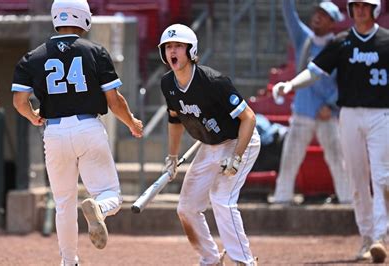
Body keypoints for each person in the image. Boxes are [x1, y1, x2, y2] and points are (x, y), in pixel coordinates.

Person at [11, 0, 143, 265]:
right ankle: (99, 209)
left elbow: (19, 101)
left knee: (63, 203)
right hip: (88, 127)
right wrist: (131, 122)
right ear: (83, 17)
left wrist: (33, 117)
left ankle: (69, 261)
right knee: (111, 196)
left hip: (54, 132)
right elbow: (114, 100)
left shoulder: (33, 56)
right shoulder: (94, 51)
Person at [273, 0, 389, 262]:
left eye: (365, 6)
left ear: (375, 10)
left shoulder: (386, 41)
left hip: (382, 115)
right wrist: (290, 84)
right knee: (357, 179)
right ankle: (367, 237)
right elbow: (314, 71)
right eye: (356, 6)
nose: (360, 10)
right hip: (348, 115)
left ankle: (382, 235)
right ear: (350, 9)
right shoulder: (341, 42)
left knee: (383, 176)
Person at [159, 24, 260, 266]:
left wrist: (236, 157)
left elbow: (249, 118)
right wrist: (172, 157)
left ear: (191, 50)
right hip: (209, 145)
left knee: (221, 198)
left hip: (239, 141)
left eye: (179, 46)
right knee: (186, 208)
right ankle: (211, 259)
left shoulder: (214, 81)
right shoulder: (168, 84)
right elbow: (174, 119)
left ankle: (244, 261)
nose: (173, 51)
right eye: (168, 47)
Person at [270, 0, 352, 205]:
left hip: (327, 114)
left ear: (332, 22)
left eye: (323, 15)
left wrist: (332, 105)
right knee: (290, 158)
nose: (317, 17)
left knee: (337, 160)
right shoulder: (303, 39)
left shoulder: (340, 46)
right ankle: (282, 198)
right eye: (317, 12)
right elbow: (289, 14)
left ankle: (347, 201)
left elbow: (346, 81)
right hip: (302, 112)